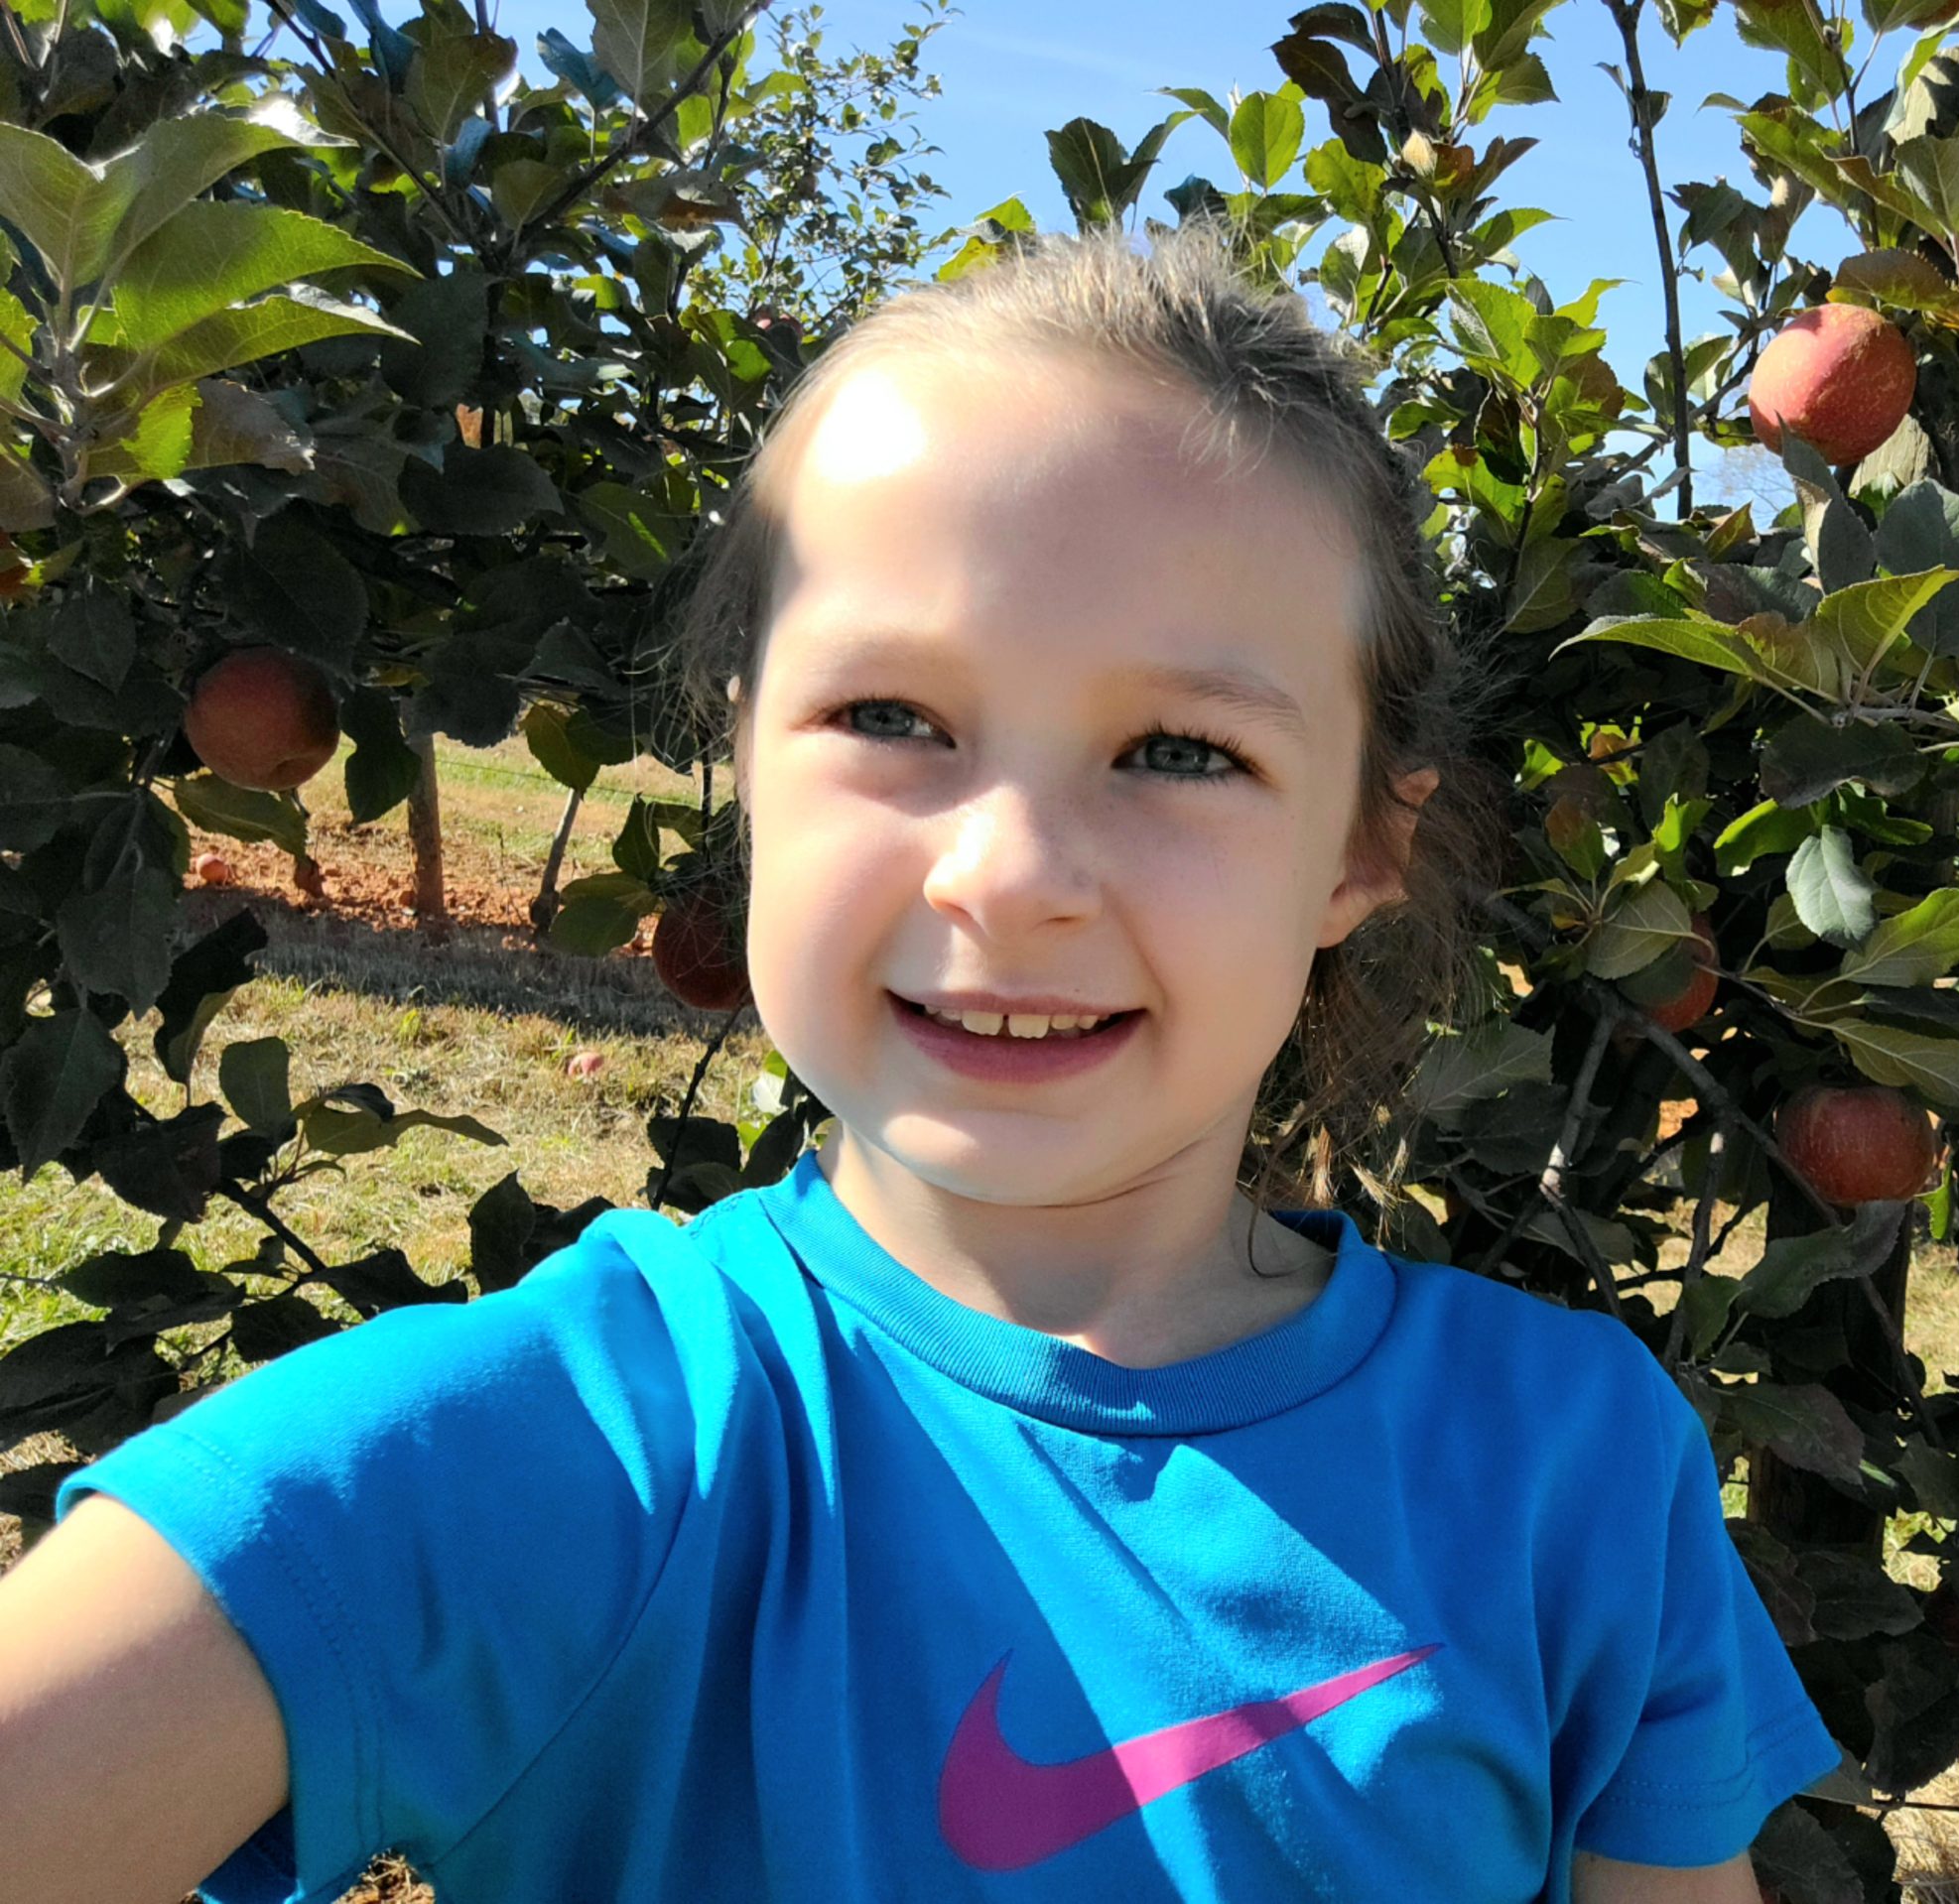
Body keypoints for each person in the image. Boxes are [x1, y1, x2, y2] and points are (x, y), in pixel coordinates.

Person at [0, 216, 1842, 1903]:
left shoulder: (1574, 1466)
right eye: (892, 718)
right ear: (744, 759)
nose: (1014, 875)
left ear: (1363, 847)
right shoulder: (585, 1448)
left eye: (1184, 751)